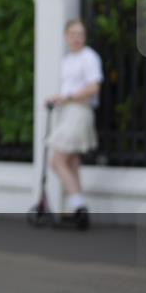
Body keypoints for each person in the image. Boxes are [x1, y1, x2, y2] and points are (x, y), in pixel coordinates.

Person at [45, 19, 103, 230]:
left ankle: (79, 206)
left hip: (80, 111)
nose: (77, 38)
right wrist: (59, 99)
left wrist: (67, 97)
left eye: (80, 34)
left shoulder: (89, 58)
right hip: (68, 112)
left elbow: (93, 87)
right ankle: (78, 210)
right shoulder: (68, 60)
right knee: (71, 162)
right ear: (66, 36)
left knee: (56, 160)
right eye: (73, 33)